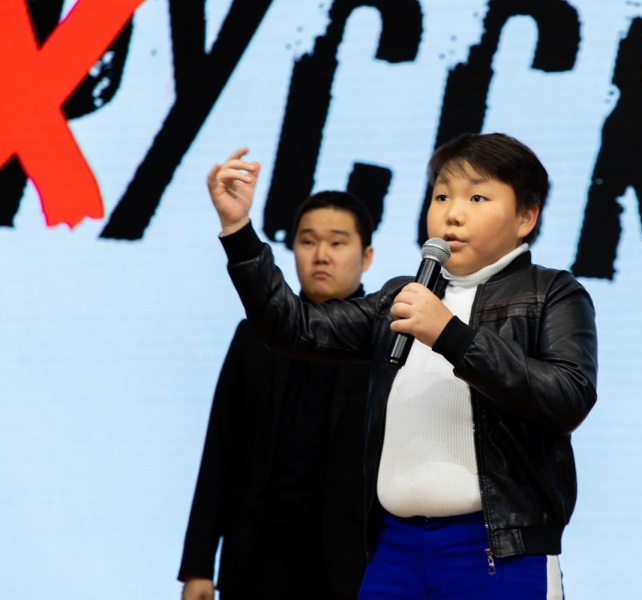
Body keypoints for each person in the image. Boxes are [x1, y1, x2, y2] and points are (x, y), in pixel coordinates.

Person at [208, 133, 598, 599]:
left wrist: (450, 334)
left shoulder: (551, 293)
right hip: (395, 550)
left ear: (526, 217)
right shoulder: (403, 295)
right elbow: (293, 328)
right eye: (441, 196)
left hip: (499, 551)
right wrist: (238, 230)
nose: (452, 214)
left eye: (476, 198)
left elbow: (567, 396)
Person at [178, 190, 375, 600]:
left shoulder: (387, 340)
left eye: (337, 243)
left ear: (366, 256)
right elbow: (221, 448)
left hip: (352, 564)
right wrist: (198, 565)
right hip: (255, 557)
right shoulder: (254, 337)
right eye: (308, 241)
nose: (321, 255)